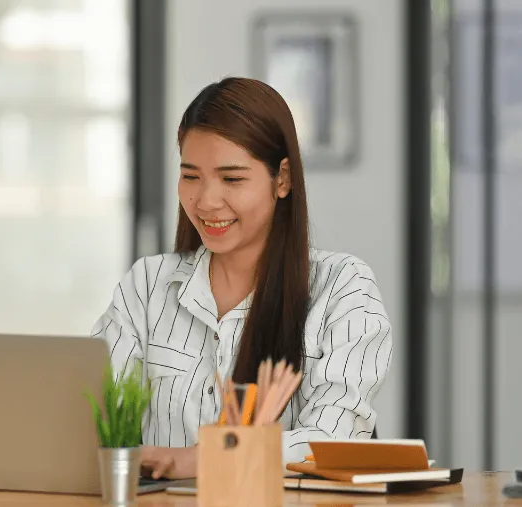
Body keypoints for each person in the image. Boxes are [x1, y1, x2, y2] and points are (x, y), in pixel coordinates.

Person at [89, 77, 392, 480]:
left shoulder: (342, 288)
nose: (206, 200)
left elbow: (334, 442)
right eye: (191, 176)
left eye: (232, 179)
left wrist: (207, 458)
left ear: (282, 179)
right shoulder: (147, 285)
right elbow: (90, 419)